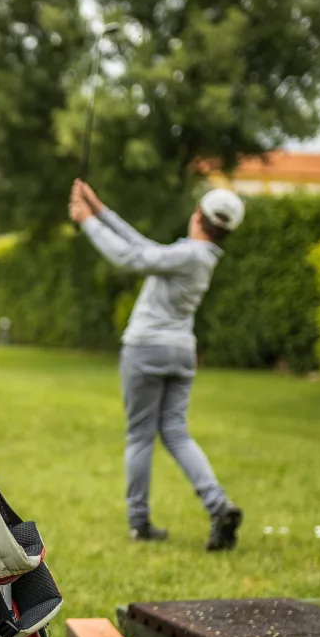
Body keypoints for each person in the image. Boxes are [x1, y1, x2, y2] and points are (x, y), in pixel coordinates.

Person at [69, 179, 245, 551]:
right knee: (176, 432)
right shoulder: (200, 256)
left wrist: (87, 221)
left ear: (198, 215)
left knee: (139, 435)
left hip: (146, 348)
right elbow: (146, 248)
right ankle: (218, 505)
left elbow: (130, 258)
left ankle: (140, 522)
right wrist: (101, 210)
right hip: (181, 352)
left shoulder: (191, 254)